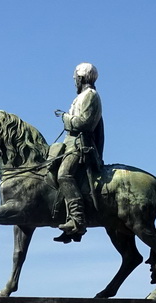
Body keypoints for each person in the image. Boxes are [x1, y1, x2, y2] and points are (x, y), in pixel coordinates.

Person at [53, 62, 104, 242]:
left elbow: (85, 123)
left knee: (64, 175)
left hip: (81, 146)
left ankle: (77, 220)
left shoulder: (91, 96)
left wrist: (66, 118)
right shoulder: (82, 96)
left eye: (75, 78)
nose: (74, 81)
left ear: (81, 78)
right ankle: (65, 219)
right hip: (70, 143)